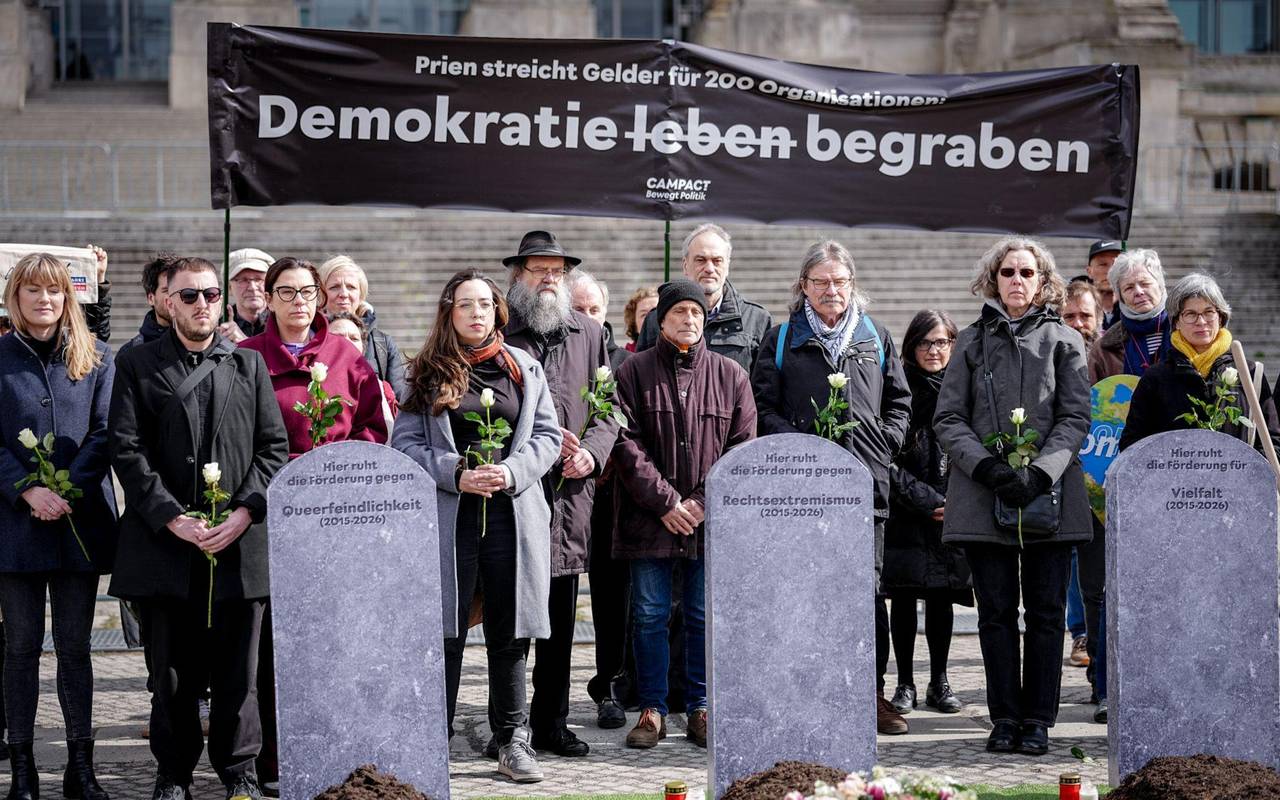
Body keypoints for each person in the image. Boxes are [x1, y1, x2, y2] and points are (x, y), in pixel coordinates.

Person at [109, 256, 290, 800]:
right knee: (170, 675)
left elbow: (273, 449)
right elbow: (126, 449)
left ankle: (239, 773)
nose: (202, 305)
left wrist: (243, 513)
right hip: (166, 546)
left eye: (211, 295)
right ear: (168, 303)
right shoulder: (137, 364)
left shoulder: (249, 365)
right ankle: (174, 773)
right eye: (189, 296)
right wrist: (172, 518)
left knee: (241, 675)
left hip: (238, 546)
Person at [392, 269, 562, 783]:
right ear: (449, 311)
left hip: (511, 516)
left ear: (497, 311)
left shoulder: (524, 368)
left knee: (509, 632)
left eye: (484, 304)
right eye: (465, 305)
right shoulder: (422, 372)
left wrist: (510, 471)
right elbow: (404, 444)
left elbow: (549, 436)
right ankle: (430, 738)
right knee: (445, 629)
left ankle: (512, 739)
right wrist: (454, 474)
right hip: (452, 519)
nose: (476, 313)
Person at [934, 236, 1092, 757]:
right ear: (993, 279)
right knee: (996, 613)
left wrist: (1043, 472)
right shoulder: (971, 342)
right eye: (1008, 272)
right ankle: (1003, 717)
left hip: (1050, 496)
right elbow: (948, 418)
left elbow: (1075, 418)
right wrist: (985, 466)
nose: (1017, 281)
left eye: (1027, 273)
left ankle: (1038, 721)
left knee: (1046, 614)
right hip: (985, 496)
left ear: (1043, 281)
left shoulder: (1066, 340)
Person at [751, 240, 913, 735]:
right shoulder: (781, 339)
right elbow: (762, 408)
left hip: (866, 489)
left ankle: (871, 694)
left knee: (866, 596)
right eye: (819, 282)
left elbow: (901, 403)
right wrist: (803, 450)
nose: (830, 290)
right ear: (803, 286)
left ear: (852, 286)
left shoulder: (875, 336)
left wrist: (885, 442)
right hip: (802, 493)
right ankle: (804, 690)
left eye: (839, 282)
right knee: (803, 594)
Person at [239, 257, 388, 790]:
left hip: (334, 521)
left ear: (320, 299)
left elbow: (374, 425)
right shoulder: (246, 356)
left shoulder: (346, 355)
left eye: (307, 291)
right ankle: (273, 760)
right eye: (287, 292)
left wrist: (339, 470)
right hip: (265, 519)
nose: (299, 301)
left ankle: (336, 752)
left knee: (334, 642)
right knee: (271, 645)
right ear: (270, 299)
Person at [612, 279, 756, 750]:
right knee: (650, 614)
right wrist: (666, 503)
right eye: (679, 314)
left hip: (706, 522)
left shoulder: (731, 374)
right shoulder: (632, 371)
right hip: (649, 518)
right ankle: (652, 709)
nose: (689, 321)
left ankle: (701, 707)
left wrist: (697, 503)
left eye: (696, 313)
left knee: (701, 614)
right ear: (662, 319)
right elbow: (625, 443)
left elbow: (741, 446)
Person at [0, 253, 116, 800]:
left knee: (74, 648)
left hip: (78, 522)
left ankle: (81, 769)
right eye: (32, 291)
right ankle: (23, 771)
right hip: (14, 528)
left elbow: (105, 432)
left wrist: (67, 488)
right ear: (15, 298)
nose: (44, 300)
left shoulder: (95, 358)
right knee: (20, 647)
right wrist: (27, 489)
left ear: (68, 297)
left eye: (54, 291)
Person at [501, 231, 620, 758]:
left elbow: (610, 407)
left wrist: (591, 452)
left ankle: (552, 720)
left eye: (557, 271)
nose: (549, 279)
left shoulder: (590, 332)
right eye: (538, 270)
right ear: (518, 276)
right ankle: (510, 729)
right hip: (513, 493)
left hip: (571, 495)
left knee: (560, 618)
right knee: (511, 620)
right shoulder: (498, 329)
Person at [1081, 249, 1176, 720]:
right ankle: (1105, 686)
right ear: (1115, 296)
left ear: (1161, 284)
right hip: (1119, 478)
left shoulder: (1187, 335)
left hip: (1176, 480)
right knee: (1108, 588)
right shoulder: (1105, 347)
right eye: (1128, 288)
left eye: (1146, 283)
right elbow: (1096, 416)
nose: (1139, 293)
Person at [884, 309, 973, 717]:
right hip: (907, 509)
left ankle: (940, 680)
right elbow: (884, 457)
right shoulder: (897, 389)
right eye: (925, 342)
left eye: (942, 342)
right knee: (902, 600)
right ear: (911, 346)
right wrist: (923, 499)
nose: (934, 351)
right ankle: (904, 682)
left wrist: (954, 500)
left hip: (953, 509)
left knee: (942, 598)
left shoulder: (965, 387)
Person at [568, 270, 632, 728]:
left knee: (613, 600)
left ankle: (610, 684)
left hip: (611, 498)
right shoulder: (556, 354)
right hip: (564, 492)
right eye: (578, 310)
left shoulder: (622, 362)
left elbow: (622, 420)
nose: (587, 318)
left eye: (594, 310)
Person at [1119, 272, 1280, 453]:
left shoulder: (1250, 374)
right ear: (1176, 322)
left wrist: (1241, 472)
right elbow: (1131, 445)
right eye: (1190, 314)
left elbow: (1273, 442)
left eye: (1208, 312)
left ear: (1221, 317)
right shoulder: (1155, 378)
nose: (1201, 321)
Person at [635, 224, 772, 371]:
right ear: (685, 265)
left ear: (727, 266)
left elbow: (762, 387)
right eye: (700, 260)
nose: (709, 269)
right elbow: (641, 376)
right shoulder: (655, 319)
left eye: (717, 261)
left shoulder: (757, 319)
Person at [318, 255, 408, 403]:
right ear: (321, 294)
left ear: (361, 295)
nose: (344, 294)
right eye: (334, 287)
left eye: (351, 287)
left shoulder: (382, 344)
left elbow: (401, 396)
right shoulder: (309, 336)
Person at [327, 311, 398, 430]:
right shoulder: (311, 383)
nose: (347, 343)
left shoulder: (379, 389)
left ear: (363, 349)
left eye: (354, 338)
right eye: (338, 337)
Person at [118, 253, 177, 360]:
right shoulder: (130, 355)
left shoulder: (204, 345)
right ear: (151, 298)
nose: (175, 296)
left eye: (180, 289)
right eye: (167, 291)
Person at [216, 248, 272, 343]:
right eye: (243, 280)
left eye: (259, 279)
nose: (252, 287)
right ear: (229, 288)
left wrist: (244, 343)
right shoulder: (217, 329)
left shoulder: (284, 324)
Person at [1084, 240, 1123, 329]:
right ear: (1089, 271)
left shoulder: (1135, 307)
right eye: (1103, 265)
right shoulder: (1075, 310)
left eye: (1116, 264)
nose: (1110, 271)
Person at [1062, 279, 1102, 348]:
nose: (1078, 324)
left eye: (1085, 316)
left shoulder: (1114, 356)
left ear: (1098, 318)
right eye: (1069, 317)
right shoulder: (1046, 357)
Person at [622, 286, 658, 353]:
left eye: (656, 312)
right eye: (644, 314)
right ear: (634, 323)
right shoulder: (625, 359)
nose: (650, 318)